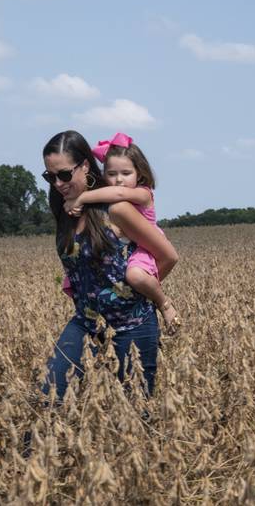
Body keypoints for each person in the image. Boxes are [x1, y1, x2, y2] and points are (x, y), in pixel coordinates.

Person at [40, 130, 179, 400]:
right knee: (49, 397)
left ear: (85, 166)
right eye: (50, 176)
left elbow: (168, 256)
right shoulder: (65, 212)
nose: (57, 183)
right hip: (86, 323)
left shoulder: (117, 209)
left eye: (64, 174)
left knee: (133, 415)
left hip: (132, 325)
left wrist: (137, 291)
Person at [61, 132, 180, 328]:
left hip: (146, 245)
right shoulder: (108, 201)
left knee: (135, 276)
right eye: (111, 174)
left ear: (139, 174)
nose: (118, 180)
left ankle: (163, 303)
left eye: (126, 173)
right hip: (129, 244)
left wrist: (80, 199)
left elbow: (118, 192)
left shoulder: (143, 193)